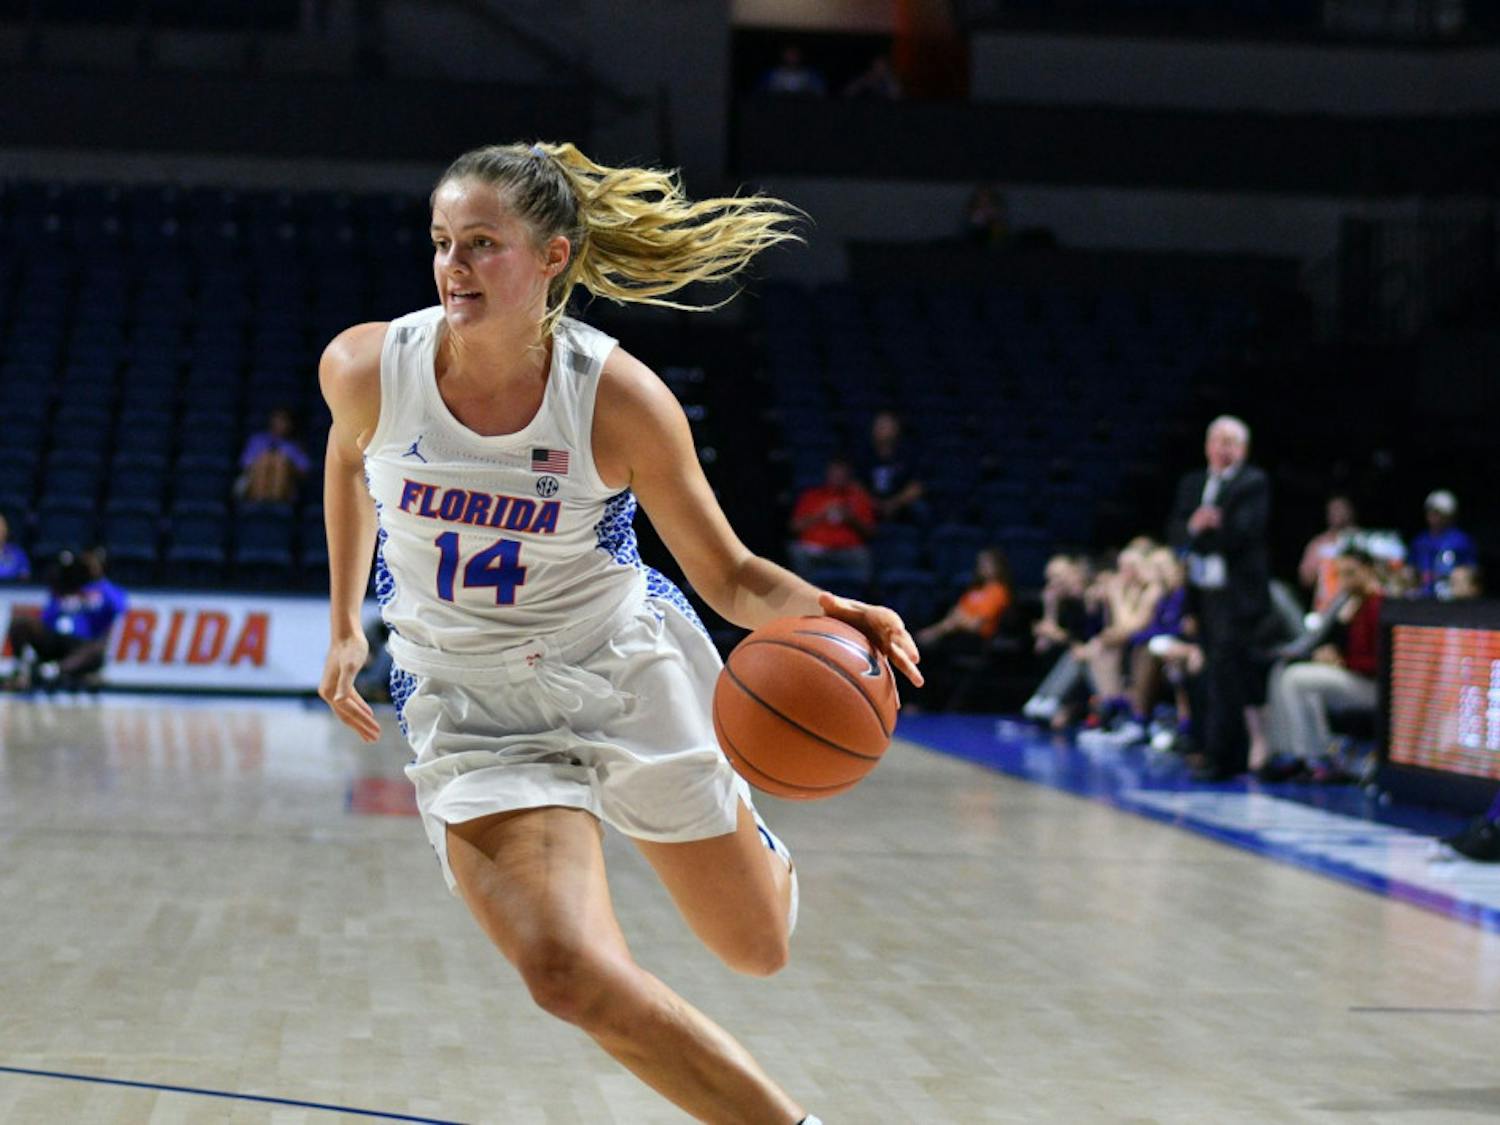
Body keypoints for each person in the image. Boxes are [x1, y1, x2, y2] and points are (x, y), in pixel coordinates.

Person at [315, 140, 921, 1125]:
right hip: (472, 705)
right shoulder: (369, 367)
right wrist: (345, 623)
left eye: (482, 243)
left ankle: (747, 830)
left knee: (755, 948)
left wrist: (829, 611)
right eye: (441, 244)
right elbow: (348, 467)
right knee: (565, 973)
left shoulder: (616, 396)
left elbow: (728, 575)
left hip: (622, 671)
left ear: (554, 256)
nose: (453, 267)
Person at [1167, 415, 1270, 781]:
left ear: (1242, 448)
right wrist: (1199, 526)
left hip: (1237, 598)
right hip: (1203, 595)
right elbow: (1178, 532)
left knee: (1228, 673)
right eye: (1216, 440)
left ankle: (1222, 756)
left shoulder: (1252, 482)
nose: (1222, 448)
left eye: (1230, 441)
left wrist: (1204, 533)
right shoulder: (1193, 483)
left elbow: (1240, 535)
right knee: (1204, 669)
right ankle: (1203, 745)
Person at [1262, 548, 1383, 780]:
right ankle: (1293, 752)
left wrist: (1342, 662)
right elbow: (1319, 638)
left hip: (1371, 685)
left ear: (1367, 571)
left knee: (1295, 679)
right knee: (1286, 673)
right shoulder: (1347, 603)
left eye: (1351, 573)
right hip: (1351, 675)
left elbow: (1377, 661)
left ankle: (1314, 756)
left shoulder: (1377, 605)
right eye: (1341, 574)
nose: (1345, 580)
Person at [3, 548, 127, 690]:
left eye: (93, 565)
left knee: (97, 649)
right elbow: (46, 618)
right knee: (21, 622)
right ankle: (20, 671)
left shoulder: (106, 590)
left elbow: (120, 606)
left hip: (82, 644)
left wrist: (99, 582)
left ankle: (52, 671)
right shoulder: (65, 588)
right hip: (55, 640)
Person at [911, 547, 1011, 710]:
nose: (984, 567)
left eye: (988, 564)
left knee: (932, 653)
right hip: (956, 633)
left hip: (976, 640)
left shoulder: (998, 591)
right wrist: (939, 629)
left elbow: (975, 625)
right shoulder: (974, 591)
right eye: (981, 564)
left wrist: (957, 621)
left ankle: (926, 703)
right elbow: (954, 617)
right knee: (920, 646)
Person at [786, 455, 878, 585]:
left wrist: (851, 518)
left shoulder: (859, 497)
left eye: (842, 474)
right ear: (827, 474)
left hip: (848, 550)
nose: (838, 477)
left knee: (864, 556)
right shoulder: (811, 496)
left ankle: (865, 599)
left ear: (848, 476)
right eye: (835, 473)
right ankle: (804, 597)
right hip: (816, 550)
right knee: (796, 551)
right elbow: (794, 527)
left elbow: (870, 532)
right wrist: (820, 515)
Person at [1408, 489, 1478, 599]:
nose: (1432, 516)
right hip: (1423, 595)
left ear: (1449, 515)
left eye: (1438, 512)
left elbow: (1471, 571)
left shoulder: (1461, 540)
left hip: (1452, 596)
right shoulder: (1420, 540)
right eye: (1430, 511)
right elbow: (1412, 569)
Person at [860, 409, 926, 524]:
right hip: (871, 502)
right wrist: (872, 502)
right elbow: (856, 485)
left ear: (896, 429)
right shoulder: (863, 454)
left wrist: (894, 503)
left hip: (900, 502)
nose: (879, 429)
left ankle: (923, 541)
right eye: (877, 425)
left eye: (885, 425)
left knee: (920, 509)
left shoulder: (908, 454)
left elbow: (916, 487)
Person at [237, 406, 313, 504]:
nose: (280, 424)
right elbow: (245, 464)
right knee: (265, 460)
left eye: (284, 421)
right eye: (277, 419)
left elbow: (304, 470)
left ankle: (275, 503)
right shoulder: (257, 440)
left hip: (286, 488)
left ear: (290, 424)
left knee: (280, 462)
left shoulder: (294, 446)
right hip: (253, 482)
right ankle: (259, 502)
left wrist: (283, 462)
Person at [1298, 494, 1359, 612]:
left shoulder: (1363, 541)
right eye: (1333, 510)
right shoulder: (1319, 544)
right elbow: (1305, 578)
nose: (1337, 513)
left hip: (1356, 610)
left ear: (1351, 511)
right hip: (1327, 610)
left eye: (1341, 509)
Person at [757, 44, 827, 97]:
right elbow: (760, 92)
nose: (792, 58)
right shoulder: (773, 74)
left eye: (794, 54)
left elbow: (820, 93)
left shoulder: (809, 75)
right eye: (789, 54)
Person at [0, 512, 30, 582]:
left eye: (1, 525)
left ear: (6, 529)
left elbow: (26, 580)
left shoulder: (18, 553)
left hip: (14, 591)